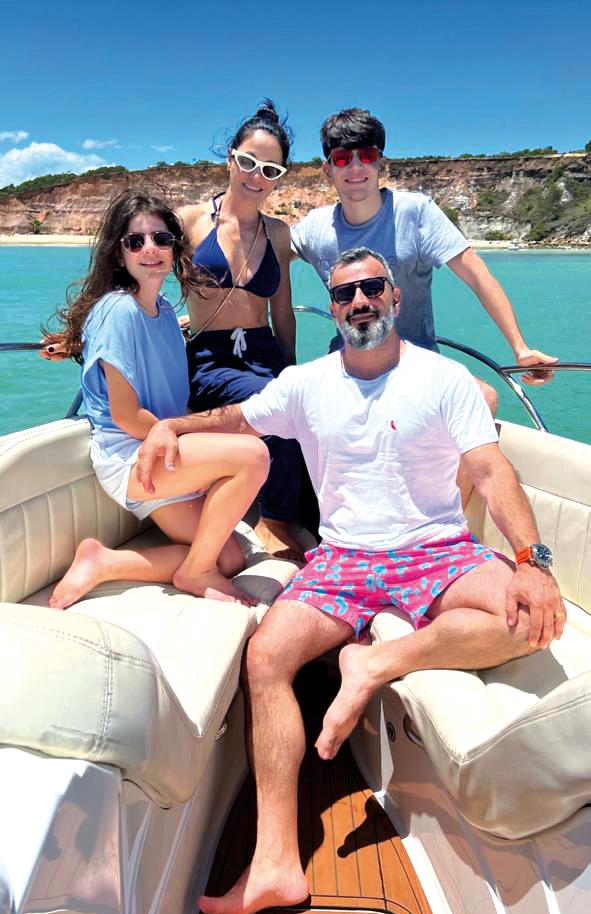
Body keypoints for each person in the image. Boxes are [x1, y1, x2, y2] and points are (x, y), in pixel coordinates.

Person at [134, 246, 566, 914]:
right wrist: (172, 425)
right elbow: (237, 419)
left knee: (530, 616)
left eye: (370, 289)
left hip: (437, 550)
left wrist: (530, 561)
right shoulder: (307, 383)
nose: (358, 302)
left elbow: (488, 470)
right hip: (344, 560)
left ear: (393, 298)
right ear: (332, 309)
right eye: (344, 294)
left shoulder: (442, 379)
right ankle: (275, 863)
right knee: (268, 656)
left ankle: (375, 663)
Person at [290, 107, 559, 503]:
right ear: (328, 169)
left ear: (381, 161)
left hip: (417, 360)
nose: (355, 168)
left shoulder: (415, 213)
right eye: (342, 159)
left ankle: (445, 521)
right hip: (350, 361)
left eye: (366, 155)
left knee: (483, 398)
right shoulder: (316, 228)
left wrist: (519, 347)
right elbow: (256, 255)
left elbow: (476, 274)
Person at [47, 188, 269, 610]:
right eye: (136, 241)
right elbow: (127, 417)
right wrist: (180, 434)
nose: (150, 249)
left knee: (230, 556)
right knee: (253, 456)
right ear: (119, 253)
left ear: (174, 248)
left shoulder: (163, 311)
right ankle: (195, 573)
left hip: (160, 447)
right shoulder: (118, 310)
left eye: (161, 239)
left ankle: (104, 562)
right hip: (130, 455)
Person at [179, 99, 304, 559]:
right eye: (249, 162)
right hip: (212, 358)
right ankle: (274, 523)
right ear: (230, 158)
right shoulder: (190, 221)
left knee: (303, 405)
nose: (256, 176)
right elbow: (136, 275)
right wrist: (81, 332)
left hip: (263, 351)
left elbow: (284, 313)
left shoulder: (278, 233)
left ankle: (311, 516)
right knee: (272, 404)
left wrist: (293, 375)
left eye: (271, 170)